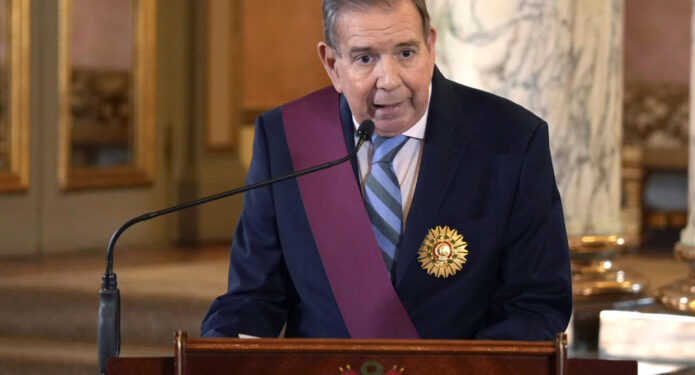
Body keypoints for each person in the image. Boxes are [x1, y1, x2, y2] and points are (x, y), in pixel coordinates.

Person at [201, 0, 572, 340]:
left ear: (430, 46)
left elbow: (535, 305)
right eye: (365, 59)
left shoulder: (511, 140)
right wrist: (218, 352)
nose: (389, 80)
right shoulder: (286, 140)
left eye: (406, 53)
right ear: (332, 65)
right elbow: (253, 298)